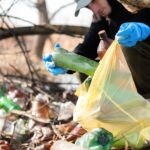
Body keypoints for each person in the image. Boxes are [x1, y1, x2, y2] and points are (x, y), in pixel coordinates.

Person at [43, 0, 150, 99]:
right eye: (88, 6)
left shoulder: (139, 3)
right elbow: (87, 47)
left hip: (145, 72)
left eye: (93, 0)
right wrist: (67, 62)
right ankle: (119, 108)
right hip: (130, 79)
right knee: (85, 71)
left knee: (126, 46)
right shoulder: (102, 19)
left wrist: (146, 32)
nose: (94, 9)